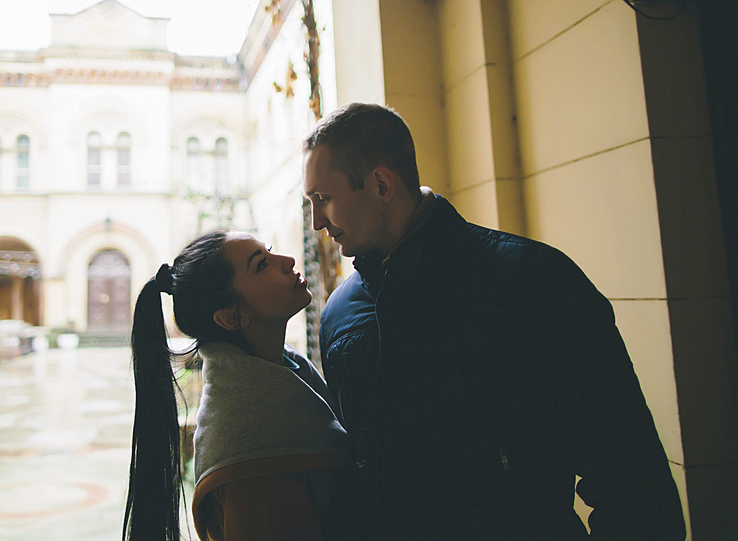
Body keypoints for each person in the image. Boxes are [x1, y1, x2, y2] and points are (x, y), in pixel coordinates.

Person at [302, 102, 686, 540]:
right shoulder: (338, 314)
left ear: (381, 184)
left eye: (323, 199)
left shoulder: (533, 281)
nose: (316, 222)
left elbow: (630, 473)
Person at [122, 230, 348, 541]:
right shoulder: (252, 451)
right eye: (262, 265)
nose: (288, 261)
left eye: (269, 252)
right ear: (231, 316)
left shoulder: (285, 368)